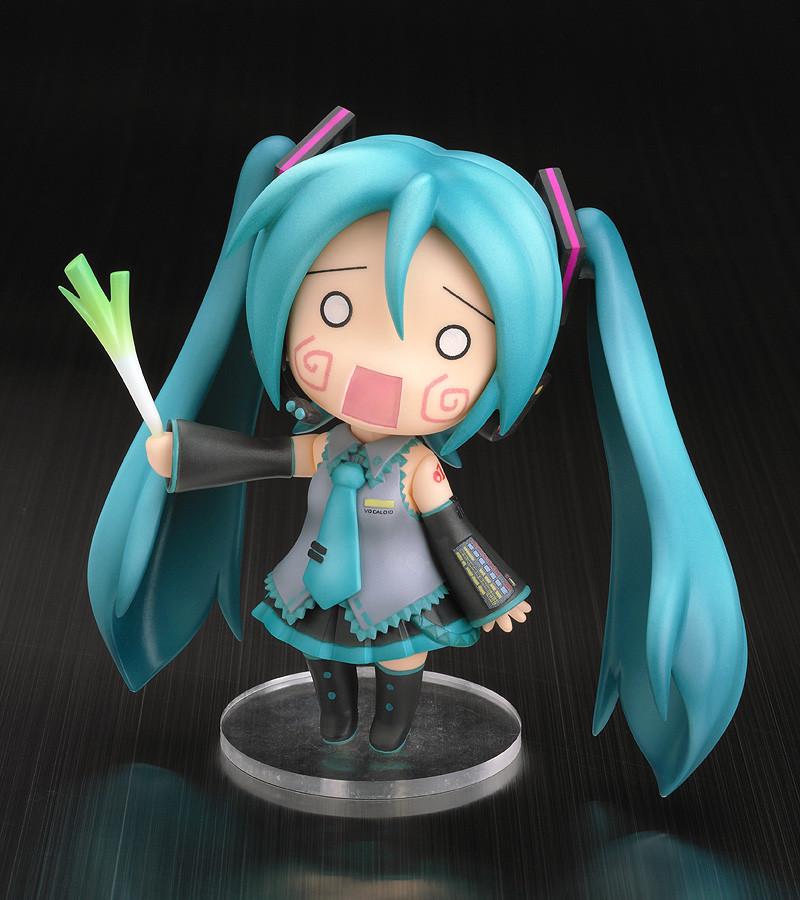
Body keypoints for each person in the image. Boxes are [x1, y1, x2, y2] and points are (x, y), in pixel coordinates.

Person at [87, 127, 746, 793]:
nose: (379, 370)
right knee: (322, 655)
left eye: (452, 340)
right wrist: (187, 455)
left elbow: (452, 533)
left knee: (400, 662)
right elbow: (271, 456)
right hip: (315, 578)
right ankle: (336, 718)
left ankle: (392, 727)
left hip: (401, 593)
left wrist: (491, 595)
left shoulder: (417, 470)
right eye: (336, 309)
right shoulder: (328, 446)